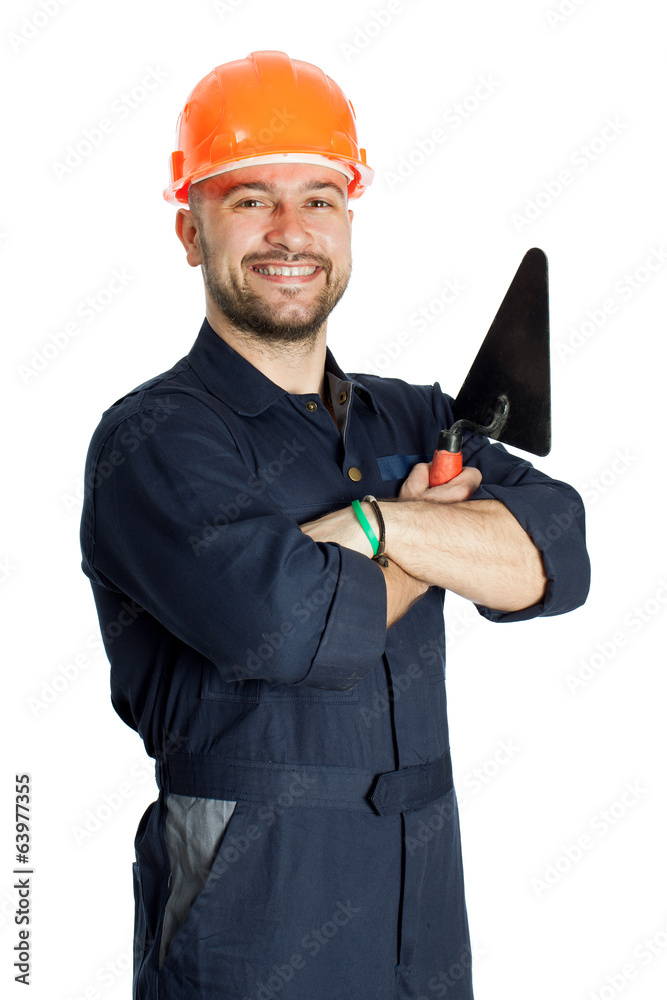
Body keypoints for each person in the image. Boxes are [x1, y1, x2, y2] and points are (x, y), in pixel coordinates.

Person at [80, 50, 590, 1000]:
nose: (290, 230)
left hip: (420, 903)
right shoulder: (152, 441)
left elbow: (554, 551)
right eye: (249, 200)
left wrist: (370, 529)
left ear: (348, 221)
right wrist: (420, 529)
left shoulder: (417, 417)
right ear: (190, 230)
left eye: (318, 198)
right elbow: (283, 627)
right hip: (250, 909)